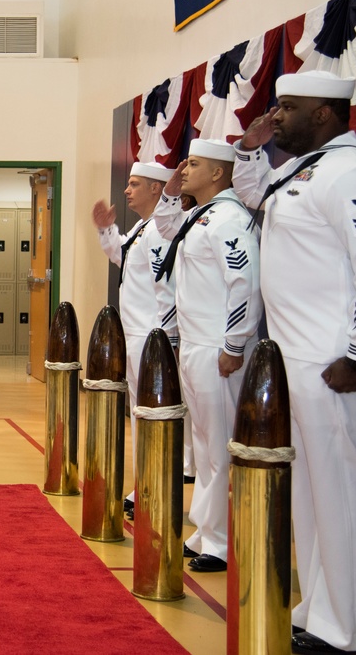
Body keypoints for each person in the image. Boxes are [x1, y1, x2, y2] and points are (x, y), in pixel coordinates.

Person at [233, 70, 356, 654]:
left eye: (289, 107)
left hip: (332, 363)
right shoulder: (301, 170)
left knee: (343, 496)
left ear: (325, 113)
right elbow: (251, 193)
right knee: (311, 496)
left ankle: (350, 627)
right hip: (295, 361)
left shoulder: (348, 173)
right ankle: (320, 611)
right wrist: (250, 147)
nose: (276, 115)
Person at [152, 138, 262, 573]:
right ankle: (205, 531)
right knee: (203, 445)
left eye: (193, 164)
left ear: (219, 173)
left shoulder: (229, 219)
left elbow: (244, 283)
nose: (183, 169)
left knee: (218, 446)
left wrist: (234, 344)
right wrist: (171, 190)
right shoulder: (203, 215)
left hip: (219, 348)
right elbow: (165, 225)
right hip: (197, 344)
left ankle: (220, 542)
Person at [91, 162, 179, 520]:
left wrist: (166, 340)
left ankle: (151, 486)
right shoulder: (145, 227)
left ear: (157, 189)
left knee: (150, 417)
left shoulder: (161, 229)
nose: (126, 191)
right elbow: (122, 255)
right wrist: (105, 229)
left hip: (151, 337)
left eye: (134, 184)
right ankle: (144, 483)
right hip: (137, 334)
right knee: (139, 415)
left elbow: (166, 289)